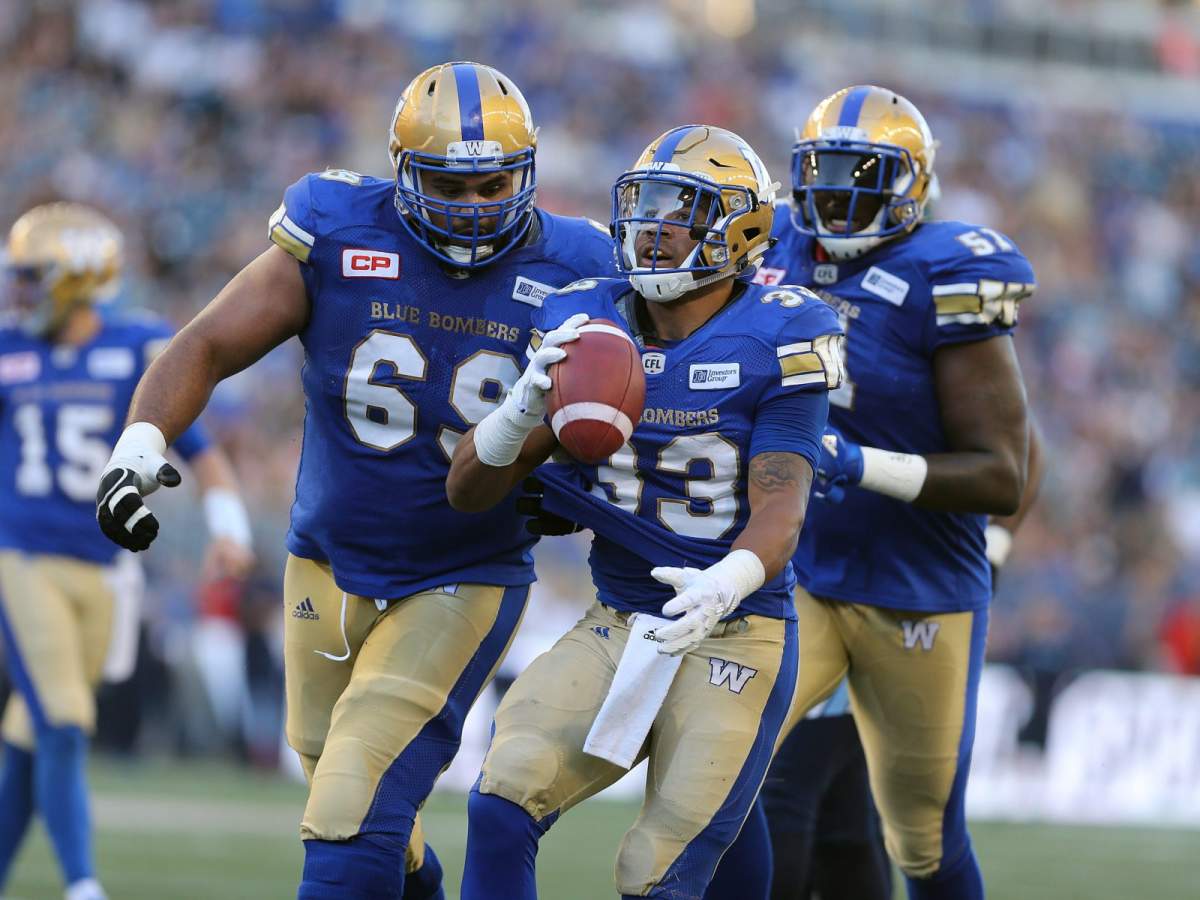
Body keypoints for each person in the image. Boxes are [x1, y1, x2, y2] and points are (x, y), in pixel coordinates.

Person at [93, 61, 615, 900]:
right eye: (451, 184)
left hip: (462, 574)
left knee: (348, 810)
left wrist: (575, 473)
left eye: (493, 184)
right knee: (357, 803)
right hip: (325, 564)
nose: (475, 206)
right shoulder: (337, 229)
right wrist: (141, 439)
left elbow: (626, 407)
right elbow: (207, 343)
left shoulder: (580, 263)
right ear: (403, 171)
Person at [446, 124, 844, 900]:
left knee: (659, 869)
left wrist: (724, 583)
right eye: (645, 206)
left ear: (741, 230)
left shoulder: (782, 331)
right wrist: (519, 410)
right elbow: (467, 492)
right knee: (503, 795)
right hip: (621, 618)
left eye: (682, 211)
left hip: (738, 630)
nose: (653, 228)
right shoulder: (586, 321)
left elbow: (783, 504)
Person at [717, 84, 1038, 900]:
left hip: (916, 589)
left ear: (913, 184)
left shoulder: (945, 272)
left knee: (922, 841)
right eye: (823, 171)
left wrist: (859, 464)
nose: (836, 193)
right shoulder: (770, 248)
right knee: (720, 770)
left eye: (862, 174)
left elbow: (1003, 468)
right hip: (802, 574)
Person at [0, 202, 253, 900]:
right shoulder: (9, 349)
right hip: (22, 558)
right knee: (62, 720)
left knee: (32, 734)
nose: (19, 291)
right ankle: (83, 885)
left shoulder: (136, 348)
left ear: (76, 278)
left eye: (32, 276)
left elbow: (198, 448)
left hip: (107, 571)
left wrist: (229, 527)